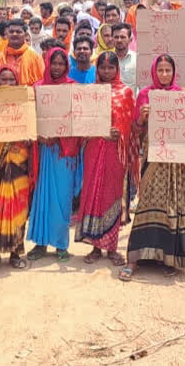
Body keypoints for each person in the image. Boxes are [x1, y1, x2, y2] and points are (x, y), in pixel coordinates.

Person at [119, 55, 185, 280]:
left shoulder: (183, 96)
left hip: (176, 164)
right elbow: (135, 130)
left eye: (168, 70)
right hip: (153, 160)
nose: (164, 74)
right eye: (161, 70)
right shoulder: (145, 95)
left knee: (173, 205)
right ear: (154, 72)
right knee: (148, 202)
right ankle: (136, 258)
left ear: (174, 72)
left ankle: (170, 257)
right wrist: (142, 119)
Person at [74, 52, 136, 267]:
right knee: (94, 194)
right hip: (94, 149)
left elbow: (131, 124)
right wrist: (100, 132)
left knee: (112, 195)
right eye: (103, 67)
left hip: (115, 153)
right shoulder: (90, 92)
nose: (106, 72)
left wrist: (120, 132)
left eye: (111, 67)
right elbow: (81, 124)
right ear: (97, 69)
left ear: (117, 69)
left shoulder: (126, 92)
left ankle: (111, 247)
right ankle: (94, 246)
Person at [27, 48, 83, 262]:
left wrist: (60, 137)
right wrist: (40, 137)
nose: (57, 67)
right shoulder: (37, 89)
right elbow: (29, 119)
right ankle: (40, 244)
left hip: (64, 152)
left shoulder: (73, 89)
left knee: (62, 199)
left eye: (61, 63)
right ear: (47, 64)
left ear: (67, 66)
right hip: (43, 150)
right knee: (42, 197)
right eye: (54, 63)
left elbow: (79, 119)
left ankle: (61, 244)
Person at [0, 67, 32, 271]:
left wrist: (28, 141)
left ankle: (16, 251)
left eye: (12, 79)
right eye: (4, 79)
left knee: (18, 208)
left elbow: (31, 131)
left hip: (19, 162)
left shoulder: (25, 106)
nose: (8, 82)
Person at [0, 19, 44, 85]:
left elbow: (41, 82)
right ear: (6, 34)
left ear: (25, 35)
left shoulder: (36, 58)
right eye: (11, 32)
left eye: (18, 32)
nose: (14, 34)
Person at [111, 23, 137, 91]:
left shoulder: (137, 60)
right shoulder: (107, 59)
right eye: (116, 37)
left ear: (130, 40)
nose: (119, 40)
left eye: (123, 37)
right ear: (112, 39)